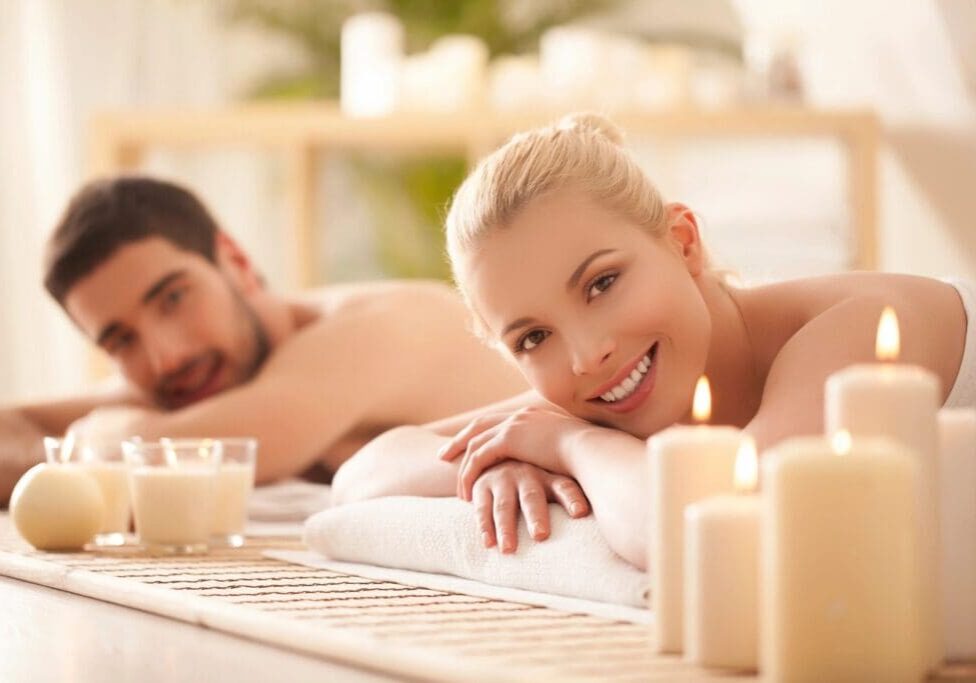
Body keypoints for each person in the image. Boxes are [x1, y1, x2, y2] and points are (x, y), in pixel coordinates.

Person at [334, 113, 974, 569]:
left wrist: (570, 443)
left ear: (683, 242)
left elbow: (706, 535)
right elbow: (364, 474)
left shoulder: (855, 329)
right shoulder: (609, 380)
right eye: (533, 337)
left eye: (602, 283)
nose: (587, 356)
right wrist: (500, 460)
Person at [0, 175, 533, 506]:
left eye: (173, 299)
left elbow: (149, 462)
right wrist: (99, 438)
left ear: (234, 261)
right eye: (120, 340)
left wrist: (100, 441)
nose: (165, 356)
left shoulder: (368, 334)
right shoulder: (199, 378)